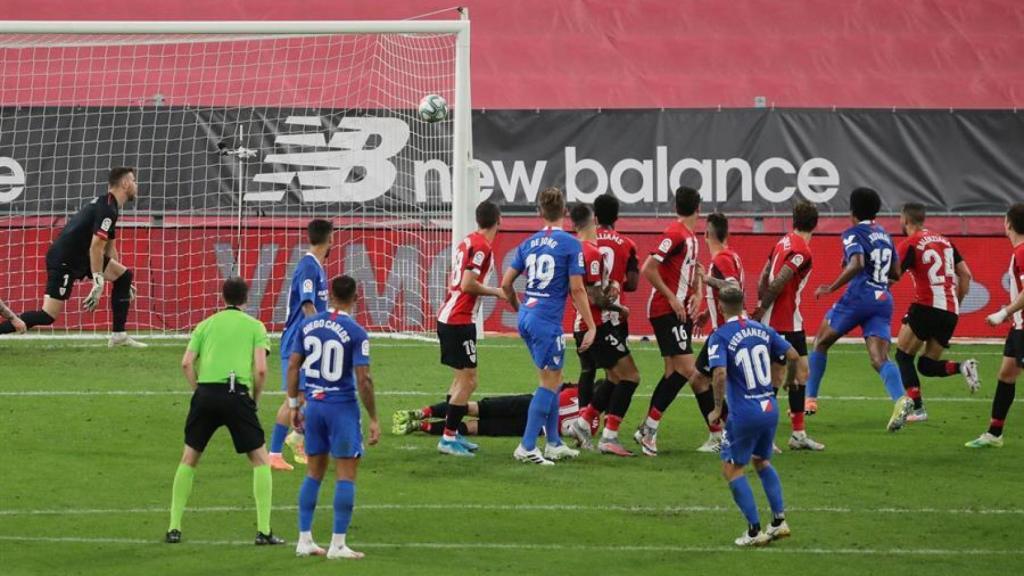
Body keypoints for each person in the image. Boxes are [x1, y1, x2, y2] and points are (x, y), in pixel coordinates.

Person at [165, 277, 283, 546]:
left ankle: (174, 528)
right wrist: (255, 398)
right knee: (261, 460)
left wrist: (200, 391)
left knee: (188, 459)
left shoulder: (205, 325)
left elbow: (186, 363)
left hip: (206, 394)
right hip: (236, 394)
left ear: (222, 297)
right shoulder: (255, 327)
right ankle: (263, 532)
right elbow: (261, 369)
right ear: (245, 299)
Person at [804, 187, 913, 432]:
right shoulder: (885, 234)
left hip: (859, 296)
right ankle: (901, 399)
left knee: (821, 341)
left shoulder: (852, 233)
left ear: (852, 210)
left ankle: (809, 400)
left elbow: (857, 263)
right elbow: (896, 272)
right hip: (883, 298)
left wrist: (831, 287)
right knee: (879, 359)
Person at [287, 275, 380, 559]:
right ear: (355, 298)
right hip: (341, 407)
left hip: (314, 406)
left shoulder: (308, 324)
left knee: (313, 472)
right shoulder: (356, 331)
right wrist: (374, 417)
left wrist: (293, 404)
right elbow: (363, 380)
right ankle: (338, 545)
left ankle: (304, 540)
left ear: (328, 295)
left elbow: (293, 366)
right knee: (346, 475)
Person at [500, 186, 594, 465]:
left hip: (527, 316)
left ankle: (553, 442)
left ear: (539, 212)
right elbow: (577, 290)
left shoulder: (528, 243)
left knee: (553, 377)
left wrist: (520, 309)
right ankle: (527, 447)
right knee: (549, 381)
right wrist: (591, 325)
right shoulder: (570, 244)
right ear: (564, 212)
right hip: (546, 321)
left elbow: (505, 284)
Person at [0, 167, 145, 346]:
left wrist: (121, 281)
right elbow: (96, 247)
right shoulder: (107, 208)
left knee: (125, 276)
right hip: (64, 259)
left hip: (80, 257)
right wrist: (98, 282)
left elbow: (109, 250)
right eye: (134, 180)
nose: (137, 185)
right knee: (47, 316)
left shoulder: (110, 206)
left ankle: (119, 336)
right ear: (125, 183)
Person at [706, 286, 797, 547]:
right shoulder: (762, 329)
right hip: (769, 407)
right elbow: (792, 355)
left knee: (731, 468)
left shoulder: (720, 335)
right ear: (743, 303)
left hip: (744, 413)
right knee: (761, 461)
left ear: (721, 307)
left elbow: (720, 373)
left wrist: (715, 408)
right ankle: (779, 522)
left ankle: (754, 531)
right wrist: (789, 383)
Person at [633, 186, 705, 457]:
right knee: (690, 370)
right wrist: (673, 298)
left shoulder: (691, 237)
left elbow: (693, 270)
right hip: (666, 310)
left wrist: (697, 292)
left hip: (680, 311)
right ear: (698, 208)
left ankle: (647, 429)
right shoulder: (674, 234)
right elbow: (648, 268)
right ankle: (719, 432)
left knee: (674, 373)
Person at [892, 203, 980, 422]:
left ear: (905, 220)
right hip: (950, 312)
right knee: (926, 366)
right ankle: (962, 367)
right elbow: (966, 275)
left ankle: (918, 409)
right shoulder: (946, 241)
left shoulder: (910, 243)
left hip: (926, 306)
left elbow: (893, 276)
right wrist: (956, 303)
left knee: (903, 356)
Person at [749, 201, 825, 451]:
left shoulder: (783, 241)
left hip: (791, 320)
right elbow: (780, 279)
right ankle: (762, 436)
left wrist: (761, 302)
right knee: (776, 377)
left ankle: (798, 434)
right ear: (815, 224)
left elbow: (765, 273)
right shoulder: (802, 250)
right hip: (781, 321)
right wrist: (763, 309)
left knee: (801, 373)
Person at [567, 204, 640, 456]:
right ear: (593, 221)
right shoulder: (591, 252)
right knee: (631, 377)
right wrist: (619, 308)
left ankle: (583, 423)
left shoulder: (574, 249)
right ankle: (610, 436)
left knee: (613, 377)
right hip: (597, 325)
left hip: (584, 324)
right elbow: (595, 297)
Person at [435, 200, 505, 457]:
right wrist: (497, 292)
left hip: (451, 316)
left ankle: (452, 432)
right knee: (470, 380)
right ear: (499, 220)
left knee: (460, 379)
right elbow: (467, 284)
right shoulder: (482, 247)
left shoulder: (468, 240)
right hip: (458, 319)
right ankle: (448, 437)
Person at [269, 219, 334, 471]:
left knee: (310, 394)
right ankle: (275, 452)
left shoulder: (316, 266)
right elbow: (308, 305)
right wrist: (322, 329)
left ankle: (297, 437)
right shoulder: (309, 267)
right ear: (330, 239)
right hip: (299, 341)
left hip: (307, 341)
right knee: (295, 398)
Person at [966, 203, 1024, 448]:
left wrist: (1004, 313)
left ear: (1008, 223)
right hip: (1019, 326)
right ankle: (994, 433)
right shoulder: (1018, 251)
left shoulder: (1022, 252)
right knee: (1007, 374)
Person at [689, 212, 744, 453]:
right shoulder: (731, 255)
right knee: (714, 381)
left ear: (707, 234)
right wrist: (707, 313)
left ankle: (720, 435)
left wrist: (706, 278)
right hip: (726, 327)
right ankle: (729, 433)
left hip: (725, 333)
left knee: (698, 379)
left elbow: (733, 288)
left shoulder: (721, 258)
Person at [393, 385, 581, 438]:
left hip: (530, 403)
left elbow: (554, 385)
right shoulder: (591, 422)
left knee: (474, 407)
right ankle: (420, 426)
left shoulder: (576, 389)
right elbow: (570, 431)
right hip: (537, 427)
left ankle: (422, 412)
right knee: (475, 427)